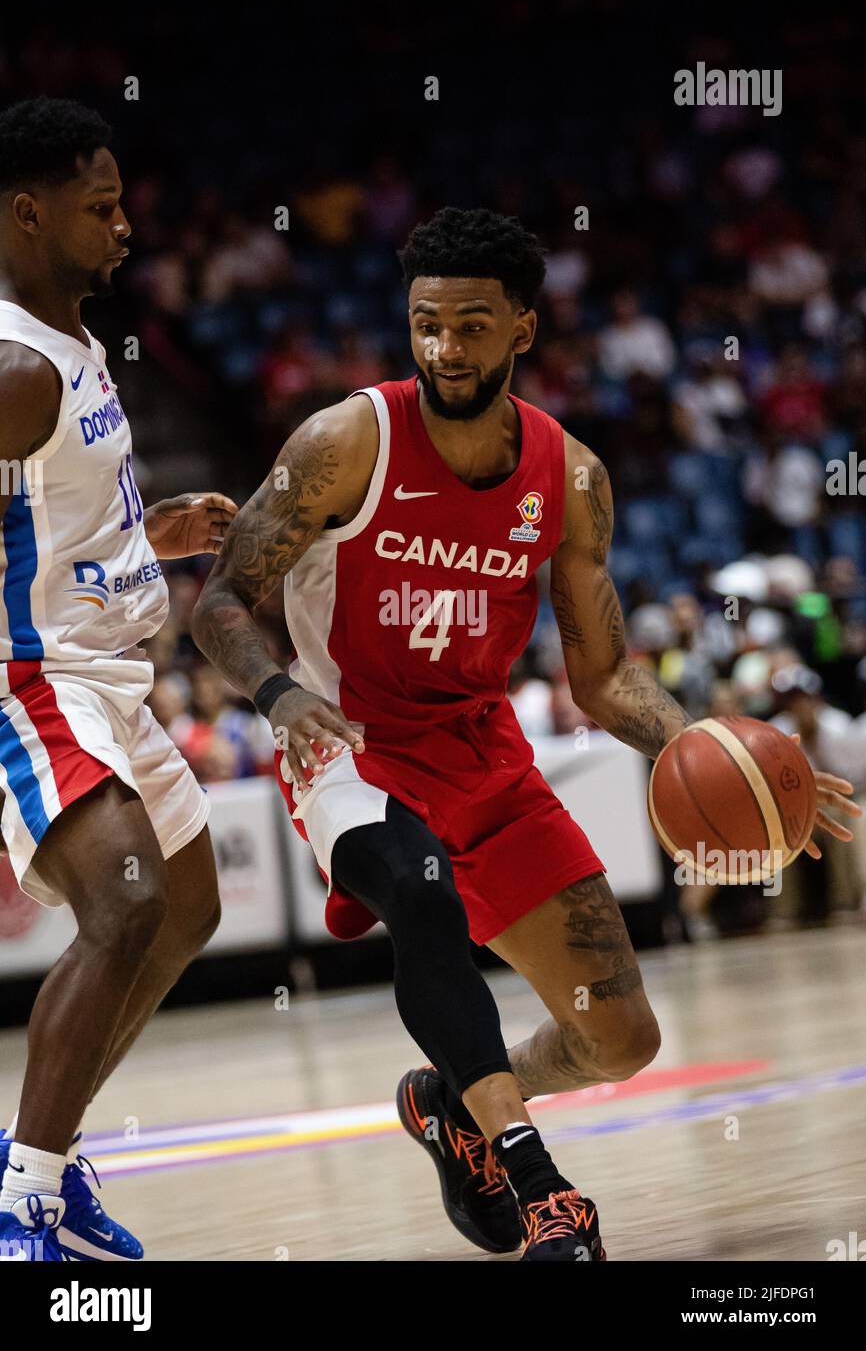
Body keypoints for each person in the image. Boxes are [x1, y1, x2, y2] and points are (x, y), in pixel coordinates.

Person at [191, 207, 859, 1262]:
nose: (443, 348)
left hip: (482, 748)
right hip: (347, 742)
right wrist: (279, 696)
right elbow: (221, 599)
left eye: (468, 325)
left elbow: (600, 678)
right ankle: (539, 1182)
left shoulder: (570, 476)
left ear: (522, 331)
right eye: (424, 324)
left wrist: (719, 751)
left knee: (617, 1036)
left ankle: (452, 1104)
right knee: (416, 892)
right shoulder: (342, 442)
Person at [0, 97, 237, 1260]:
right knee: (130, 899)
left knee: (188, 905)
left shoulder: (73, 347)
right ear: (27, 214)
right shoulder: (12, 367)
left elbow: (56, 521)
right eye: (100, 208)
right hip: (32, 681)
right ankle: (21, 1207)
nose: (126, 226)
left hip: (109, 673)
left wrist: (160, 538)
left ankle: (41, 1154)